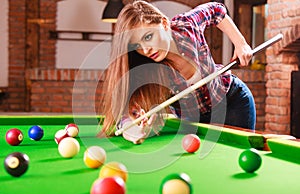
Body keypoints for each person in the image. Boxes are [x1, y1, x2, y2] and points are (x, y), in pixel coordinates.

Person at [99, 0, 256, 143]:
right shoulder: (145, 67)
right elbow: (125, 116)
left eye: (148, 37)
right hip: (192, 119)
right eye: (137, 46)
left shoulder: (186, 26)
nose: (146, 50)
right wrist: (135, 132)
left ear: (164, 24)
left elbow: (216, 10)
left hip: (232, 101)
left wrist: (240, 43)